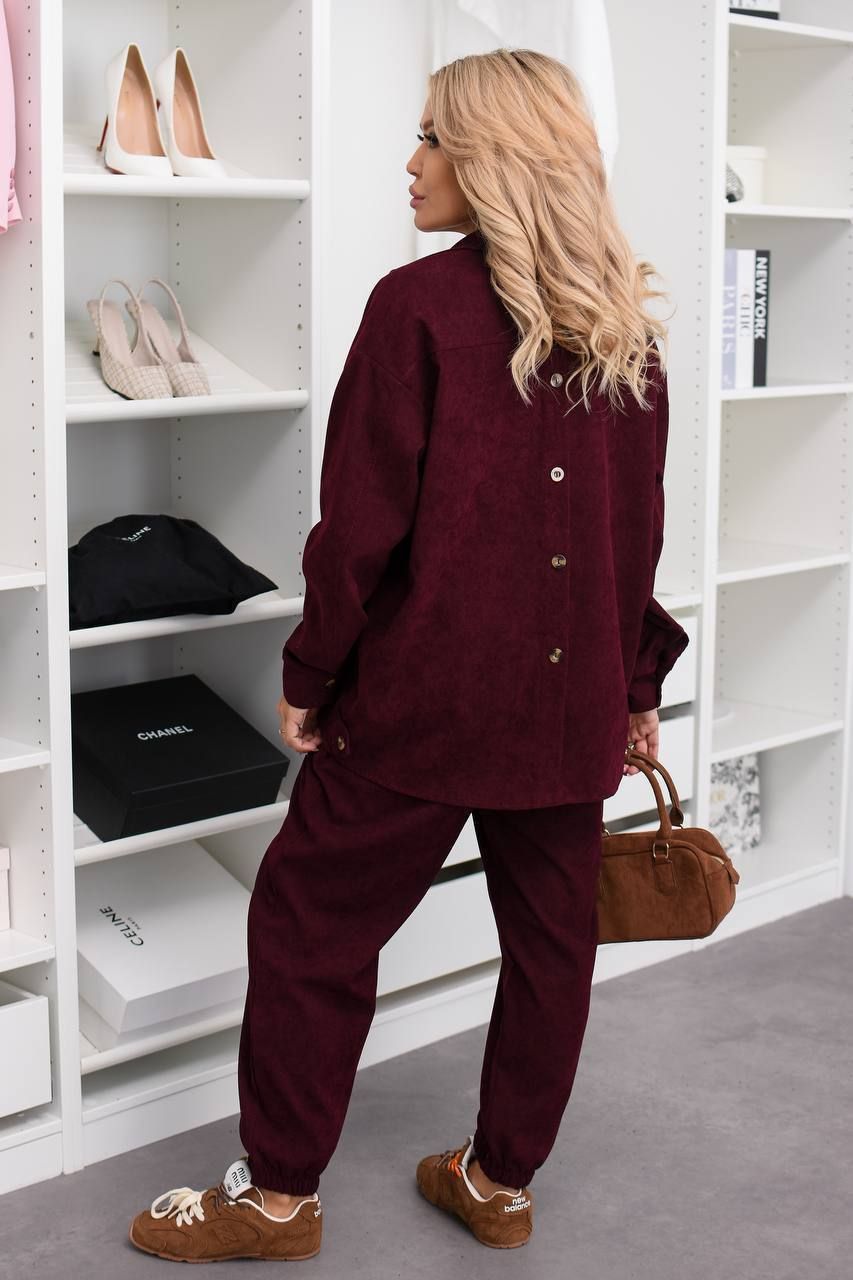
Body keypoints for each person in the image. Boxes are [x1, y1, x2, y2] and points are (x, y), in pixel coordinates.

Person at [128, 48, 689, 1263]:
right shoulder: (627, 335)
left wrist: (311, 672)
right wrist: (633, 686)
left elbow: (360, 529)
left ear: (492, 158)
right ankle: (500, 1180)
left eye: (433, 137)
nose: (411, 160)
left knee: (308, 923)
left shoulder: (417, 308)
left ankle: (278, 1198)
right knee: (552, 946)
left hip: (425, 704)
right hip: (569, 707)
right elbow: (634, 542)